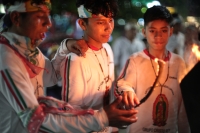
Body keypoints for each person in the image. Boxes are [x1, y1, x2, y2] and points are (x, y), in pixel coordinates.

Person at [0, 0, 138, 132]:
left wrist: (65, 46)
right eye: (39, 16)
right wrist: (104, 118)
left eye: (47, 16)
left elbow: (51, 76)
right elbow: (36, 120)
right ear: (16, 18)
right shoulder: (7, 59)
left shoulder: (27, 50)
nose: (48, 23)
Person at [59, 0, 138, 132]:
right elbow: (71, 114)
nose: (108, 27)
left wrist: (125, 90)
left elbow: (110, 85)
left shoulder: (107, 49)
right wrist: (106, 118)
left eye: (110, 20)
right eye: (100, 22)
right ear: (82, 24)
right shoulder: (76, 60)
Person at [114, 6, 190, 133]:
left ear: (170, 32)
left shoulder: (178, 63)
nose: (158, 36)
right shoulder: (135, 60)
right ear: (144, 32)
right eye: (152, 30)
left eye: (163, 31)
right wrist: (127, 90)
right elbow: (121, 84)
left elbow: (183, 105)